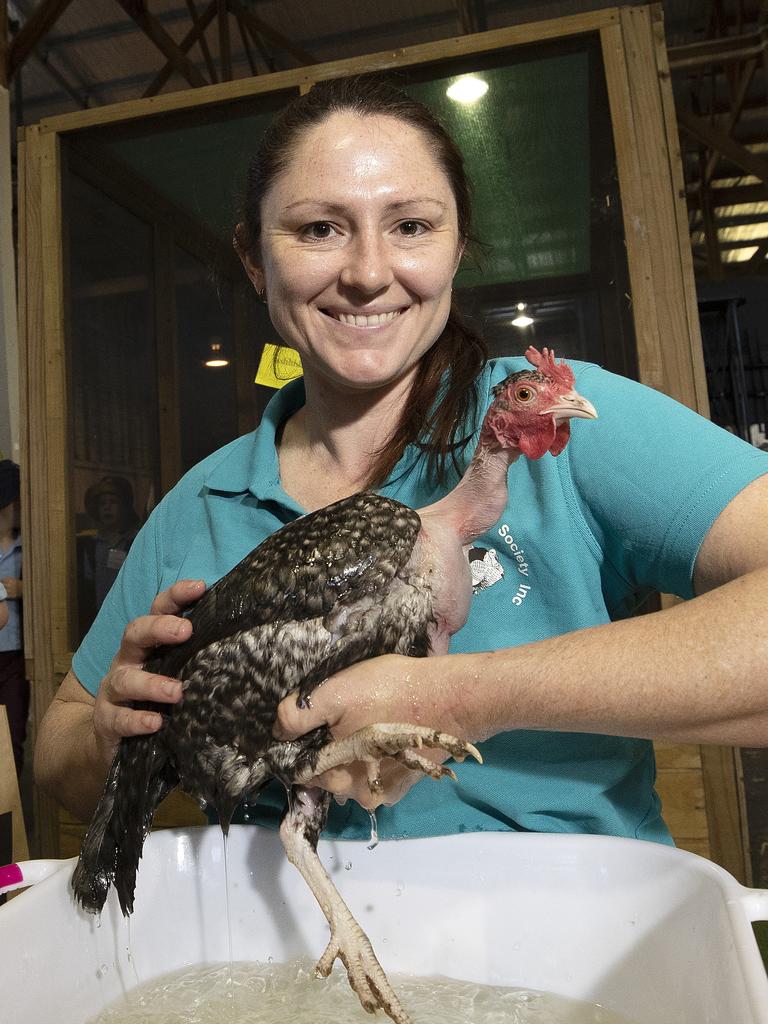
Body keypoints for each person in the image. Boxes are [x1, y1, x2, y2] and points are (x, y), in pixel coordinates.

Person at [35, 77, 768, 846]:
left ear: (456, 248)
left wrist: (460, 696)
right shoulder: (205, 500)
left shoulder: (549, 423)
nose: (367, 271)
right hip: (296, 936)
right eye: (319, 229)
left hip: (564, 933)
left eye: (412, 225)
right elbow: (62, 756)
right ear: (256, 261)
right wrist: (118, 740)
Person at [76, 475, 141, 638]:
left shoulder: (136, 541)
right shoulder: (91, 546)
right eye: (102, 504)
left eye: (113, 502)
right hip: (100, 620)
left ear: (124, 506)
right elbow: (88, 587)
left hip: (130, 618)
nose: (107, 508)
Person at [0, 460, 28, 777]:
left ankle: (12, 819)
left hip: (17, 657)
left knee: (13, 736)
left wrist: (25, 590)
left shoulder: (29, 548)